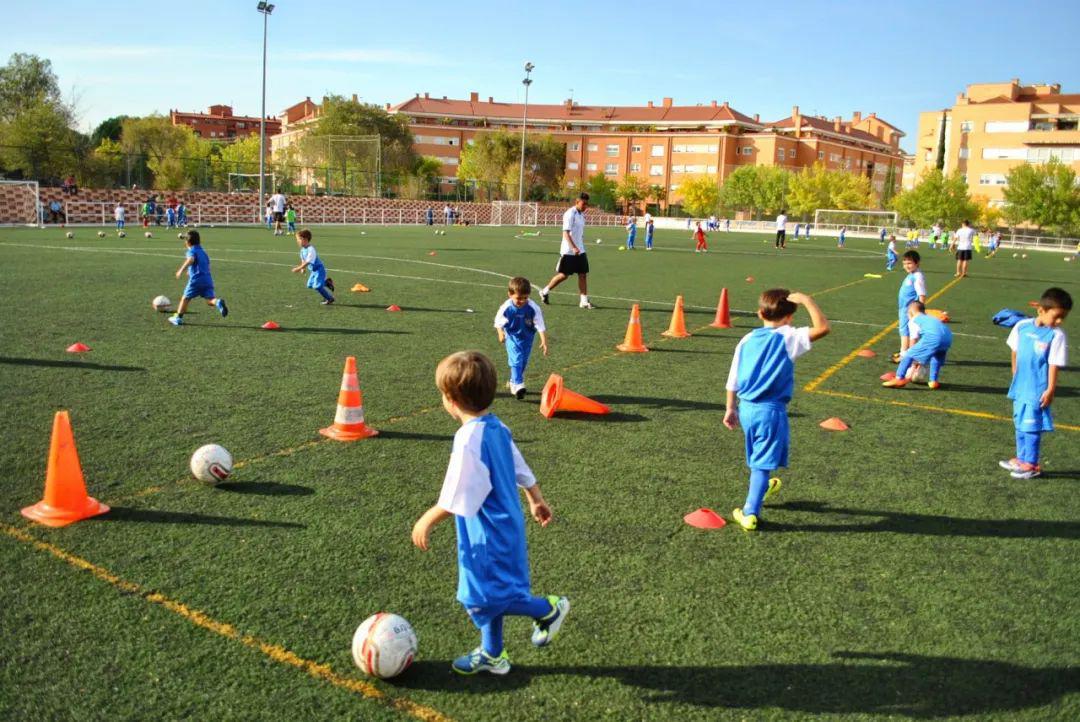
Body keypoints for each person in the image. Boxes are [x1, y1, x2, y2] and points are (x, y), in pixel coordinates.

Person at [411, 351, 569, 675]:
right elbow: (519, 465)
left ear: (451, 400)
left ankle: (547, 609)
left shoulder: (468, 438)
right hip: (503, 524)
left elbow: (458, 491)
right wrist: (535, 498)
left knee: (481, 595)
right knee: (492, 588)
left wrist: (427, 519)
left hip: (487, 532)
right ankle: (493, 654)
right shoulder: (496, 426)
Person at [723, 289, 830, 531]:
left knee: (760, 457)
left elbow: (733, 377)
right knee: (761, 463)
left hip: (746, 408)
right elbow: (823, 328)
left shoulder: (747, 339)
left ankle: (763, 487)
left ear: (760, 313)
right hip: (770, 411)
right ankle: (750, 514)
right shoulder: (789, 337)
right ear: (791, 316)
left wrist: (730, 408)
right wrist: (807, 300)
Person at [999, 288, 1071, 480]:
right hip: (1020, 385)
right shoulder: (1022, 326)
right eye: (1056, 316)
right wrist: (1015, 372)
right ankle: (1021, 458)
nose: (1059, 322)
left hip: (1037, 389)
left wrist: (1050, 389)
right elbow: (1014, 350)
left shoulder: (1056, 336)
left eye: (1063, 317)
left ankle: (1031, 464)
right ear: (1041, 310)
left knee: (1031, 425)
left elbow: (1053, 364)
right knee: (1019, 422)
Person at [495, 277, 548, 400]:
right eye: (518, 298)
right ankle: (519, 384)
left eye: (525, 298)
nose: (522, 301)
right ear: (510, 294)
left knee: (523, 362)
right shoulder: (506, 307)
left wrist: (544, 340)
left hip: (528, 338)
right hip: (512, 337)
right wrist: (500, 333)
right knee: (517, 359)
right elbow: (498, 322)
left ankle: (514, 381)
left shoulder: (533, 308)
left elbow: (540, 324)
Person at [883, 301, 953, 389]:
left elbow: (913, 340)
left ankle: (899, 378)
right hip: (948, 338)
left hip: (934, 338)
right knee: (937, 356)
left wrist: (913, 360)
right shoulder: (930, 318)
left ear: (911, 312)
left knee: (909, 354)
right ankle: (933, 381)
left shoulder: (914, 320)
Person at [540, 193, 592, 309]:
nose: (585, 207)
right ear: (577, 202)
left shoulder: (581, 215)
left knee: (583, 274)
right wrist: (573, 247)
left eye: (587, 204)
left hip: (580, 250)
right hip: (569, 250)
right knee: (564, 275)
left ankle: (583, 301)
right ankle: (544, 291)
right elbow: (566, 233)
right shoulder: (570, 214)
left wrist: (580, 245)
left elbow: (578, 233)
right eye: (583, 204)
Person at [168, 230, 228, 326]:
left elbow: (191, 259)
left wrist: (181, 270)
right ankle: (217, 302)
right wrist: (190, 270)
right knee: (210, 300)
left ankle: (178, 318)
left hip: (196, 280)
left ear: (188, 242)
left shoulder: (191, 251)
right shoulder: (203, 252)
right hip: (207, 279)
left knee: (185, 298)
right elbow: (207, 265)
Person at [892, 250, 927, 363]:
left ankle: (904, 354)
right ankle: (906, 352)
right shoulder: (912, 275)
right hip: (904, 308)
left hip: (910, 310)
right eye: (905, 263)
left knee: (905, 331)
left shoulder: (917, 276)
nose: (906, 266)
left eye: (909, 263)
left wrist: (920, 312)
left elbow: (921, 294)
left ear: (917, 263)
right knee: (905, 330)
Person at [292, 229, 335, 305]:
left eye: (298, 239)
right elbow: (303, 260)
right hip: (314, 271)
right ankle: (326, 283)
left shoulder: (311, 249)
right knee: (309, 285)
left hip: (319, 269)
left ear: (304, 239)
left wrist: (298, 268)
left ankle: (330, 298)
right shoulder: (302, 250)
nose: (297, 241)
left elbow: (308, 262)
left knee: (317, 286)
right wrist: (303, 268)